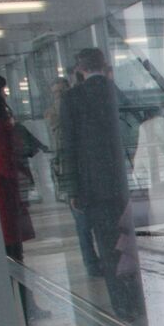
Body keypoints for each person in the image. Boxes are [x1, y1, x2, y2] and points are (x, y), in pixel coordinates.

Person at [59, 48, 145, 321]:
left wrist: (73, 189)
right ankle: (138, 300)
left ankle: (122, 305)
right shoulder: (115, 92)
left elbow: (68, 147)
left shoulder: (71, 98)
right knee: (132, 243)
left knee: (109, 247)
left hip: (93, 187)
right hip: (124, 181)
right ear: (105, 65)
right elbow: (135, 126)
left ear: (79, 70)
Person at [0, 73, 49, 324]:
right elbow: (4, 164)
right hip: (3, 200)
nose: (4, 96)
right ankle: (21, 310)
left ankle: (25, 309)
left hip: (3, 199)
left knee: (14, 256)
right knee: (13, 257)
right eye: (1, 92)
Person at [46, 76, 100, 274]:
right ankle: (91, 262)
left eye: (63, 92)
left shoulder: (76, 111)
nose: (60, 97)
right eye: (57, 94)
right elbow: (62, 143)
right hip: (70, 173)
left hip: (85, 170)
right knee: (82, 223)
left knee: (91, 221)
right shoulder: (54, 115)